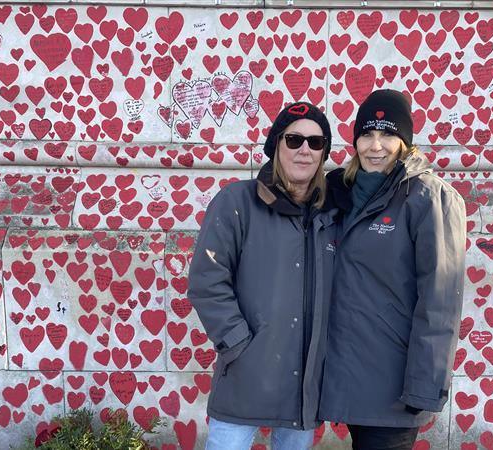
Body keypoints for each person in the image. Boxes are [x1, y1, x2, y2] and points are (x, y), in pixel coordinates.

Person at [319, 89, 467, 450]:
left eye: (388, 134)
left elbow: (441, 301)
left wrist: (425, 386)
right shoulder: (342, 193)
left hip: (395, 386)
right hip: (347, 377)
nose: (375, 145)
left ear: (405, 142)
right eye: (367, 134)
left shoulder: (430, 197)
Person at [188, 102, 338, 450]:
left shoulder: (330, 214)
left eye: (316, 143)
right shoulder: (236, 202)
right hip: (245, 377)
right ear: (275, 146)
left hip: (304, 388)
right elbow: (207, 280)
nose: (305, 150)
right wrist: (239, 345)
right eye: (294, 139)